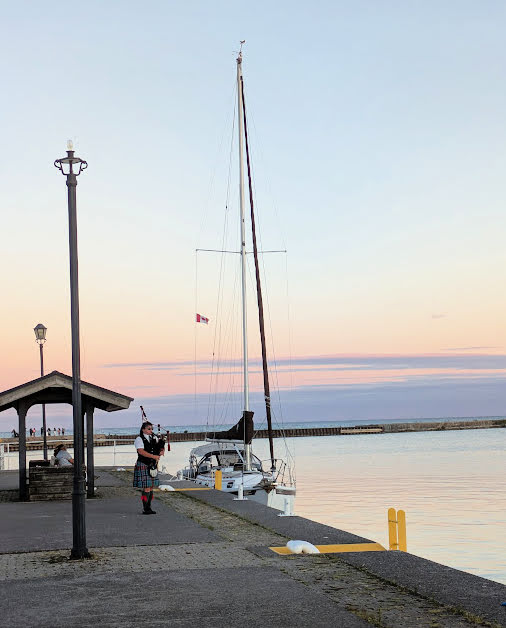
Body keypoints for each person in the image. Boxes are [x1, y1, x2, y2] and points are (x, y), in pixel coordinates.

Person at [133, 421, 164, 515]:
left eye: (152, 429)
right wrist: (153, 456)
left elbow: (158, 448)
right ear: (143, 429)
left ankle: (149, 507)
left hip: (152, 465)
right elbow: (141, 451)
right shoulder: (139, 439)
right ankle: (145, 508)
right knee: (146, 488)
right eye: (149, 429)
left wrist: (162, 449)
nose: (151, 430)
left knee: (150, 487)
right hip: (143, 464)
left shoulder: (153, 438)